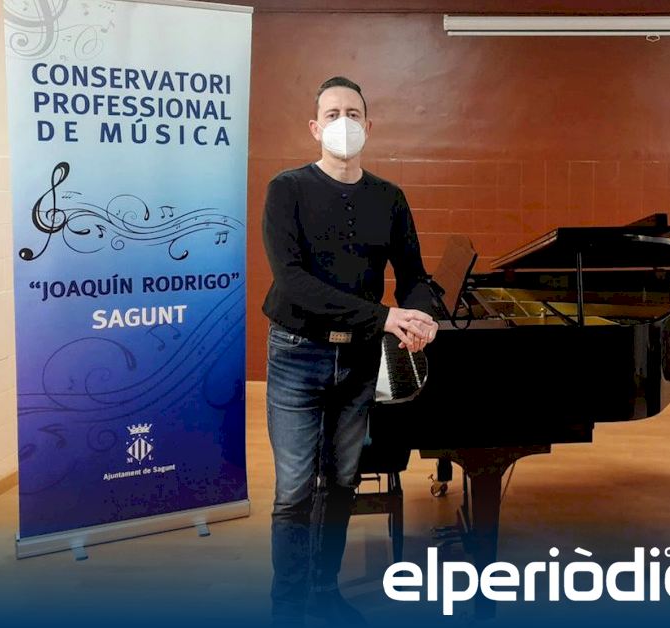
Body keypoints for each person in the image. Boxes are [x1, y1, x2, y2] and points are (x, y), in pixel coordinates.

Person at [261, 75, 438, 626]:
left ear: (369, 125)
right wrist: (385, 317)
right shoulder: (287, 189)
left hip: (359, 358)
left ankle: (324, 592)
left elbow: (414, 276)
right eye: (333, 114)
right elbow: (292, 282)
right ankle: (288, 606)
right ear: (315, 128)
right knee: (294, 489)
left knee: (342, 482)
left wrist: (421, 313)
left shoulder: (389, 198)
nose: (344, 123)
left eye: (353, 114)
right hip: (297, 352)